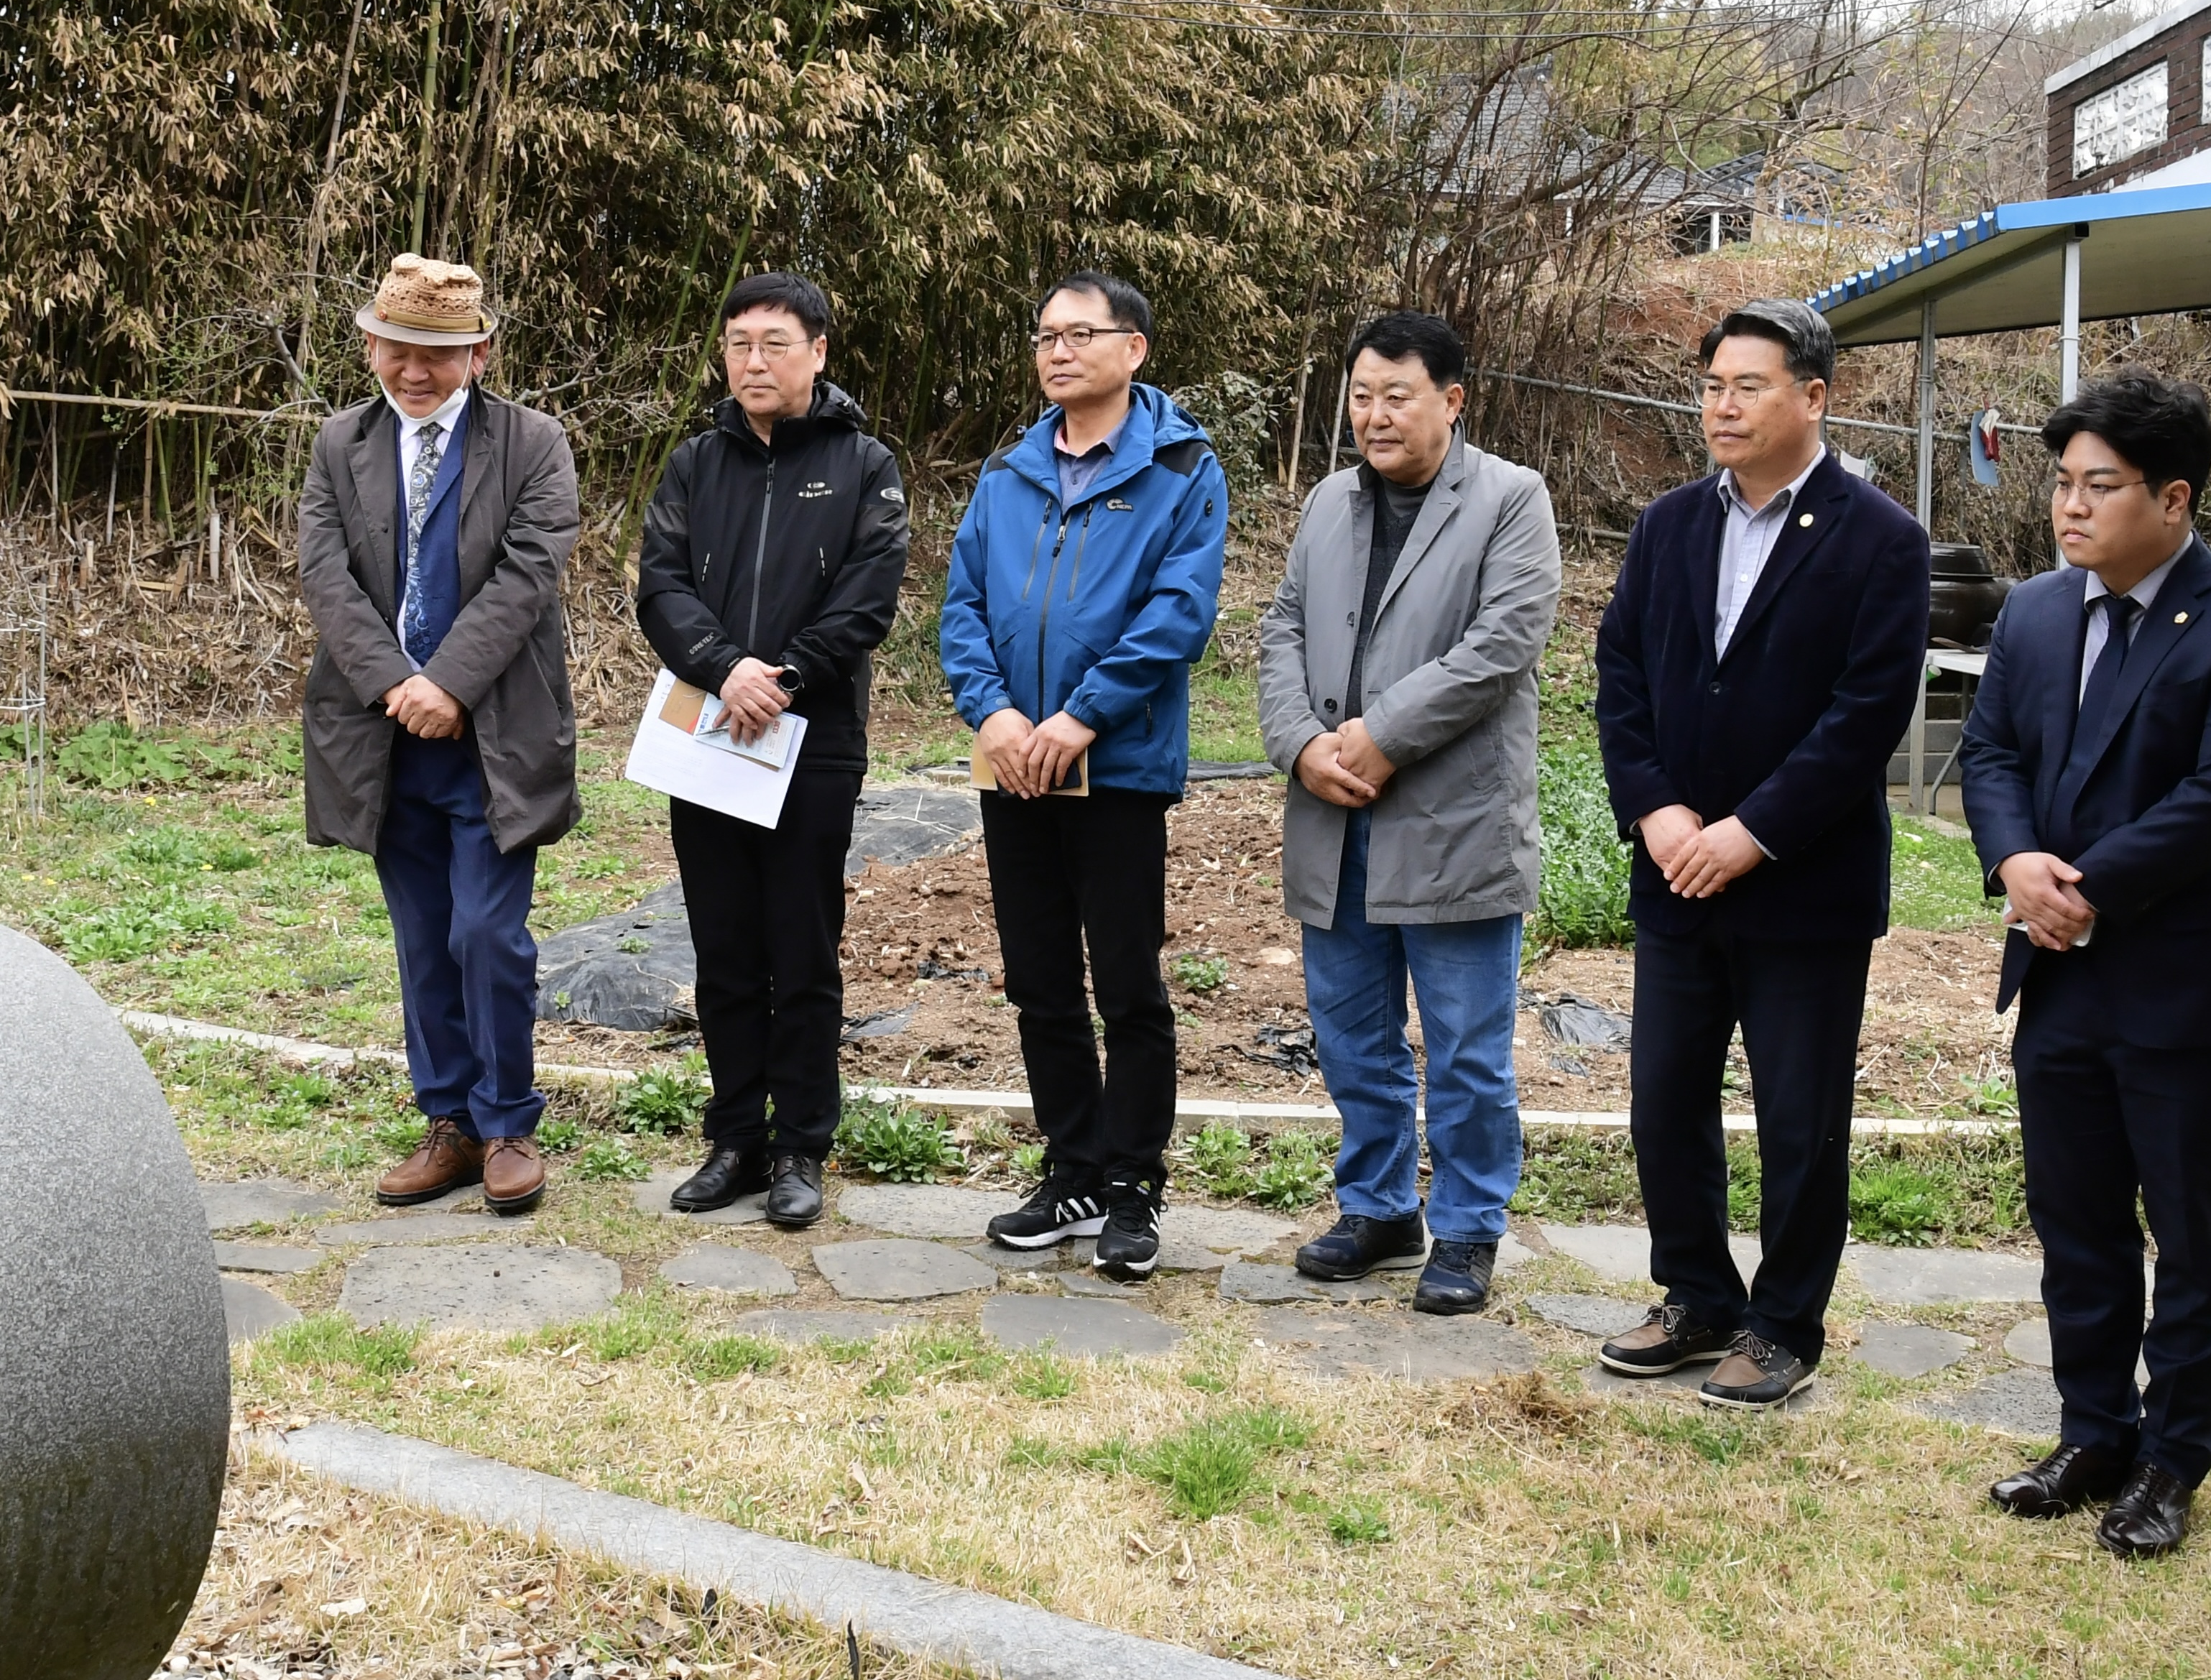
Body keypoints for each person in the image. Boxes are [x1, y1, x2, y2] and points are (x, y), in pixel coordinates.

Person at [1954, 371, 2211, 1561]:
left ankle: (2171, 1460)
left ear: (2173, 496)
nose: (2070, 506)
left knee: (2198, 1236)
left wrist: (2084, 889)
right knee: (2078, 1219)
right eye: (2062, 482)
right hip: (2060, 969)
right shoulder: (2038, 612)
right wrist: (2015, 867)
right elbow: (1992, 749)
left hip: (2192, 976)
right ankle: (2093, 1431)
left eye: (2097, 485)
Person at [1591, 296, 1929, 1408]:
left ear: (1812, 396)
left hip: (1803, 887)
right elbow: (1623, 678)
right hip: (1676, 870)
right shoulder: (1670, 524)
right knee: (1664, 1098)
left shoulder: (1882, 539)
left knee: (1798, 1115)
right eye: (1712, 386)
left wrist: (1750, 832)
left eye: (1748, 385)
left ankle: (1785, 1323)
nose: (1721, 406)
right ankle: (1697, 1294)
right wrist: (1659, 814)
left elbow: (1864, 714)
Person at [1257, 313, 1561, 1314]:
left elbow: (1501, 642)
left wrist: (1378, 735)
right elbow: (1284, 630)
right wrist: (1302, 742)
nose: (1375, 417)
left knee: (1467, 1046)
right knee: (1352, 1034)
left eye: (1398, 396)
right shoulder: (1327, 503)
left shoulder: (1512, 500)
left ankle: (1469, 1227)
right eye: (1361, 397)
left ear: (1453, 400)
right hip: (1332, 813)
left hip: (1450, 822)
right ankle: (1379, 1205)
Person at [946, 269, 1229, 1281]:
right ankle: (1069, 1166)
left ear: (1133, 349)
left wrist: (1079, 717)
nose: (1058, 351)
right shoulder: (1008, 470)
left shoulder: (1182, 469)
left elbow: (1178, 615)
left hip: (1117, 767)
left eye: (1080, 333)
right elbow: (963, 606)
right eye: (1045, 336)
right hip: (1015, 763)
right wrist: (1001, 714)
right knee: (1038, 979)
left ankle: (1132, 1184)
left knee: (1127, 982)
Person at [299, 254, 581, 1215]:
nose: (416, 370)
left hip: (492, 731)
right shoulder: (342, 443)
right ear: (372, 344)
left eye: (441, 353)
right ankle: (449, 1122)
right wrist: (396, 684)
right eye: (401, 348)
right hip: (383, 734)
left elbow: (526, 573)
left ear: (479, 353)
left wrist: (448, 684)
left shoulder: (534, 443)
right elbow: (325, 573)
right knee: (423, 933)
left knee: (487, 931)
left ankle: (507, 1121)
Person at [637, 272, 912, 1232]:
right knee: (723, 945)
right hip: (709, 734)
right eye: (739, 342)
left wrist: (783, 676)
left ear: (819, 352)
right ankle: (734, 1138)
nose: (754, 360)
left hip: (814, 738)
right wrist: (725, 669)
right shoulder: (693, 467)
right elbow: (661, 586)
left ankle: (801, 1143)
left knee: (801, 946)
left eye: (776, 343)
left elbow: (869, 599)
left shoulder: (865, 464)